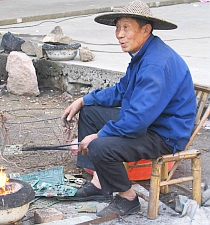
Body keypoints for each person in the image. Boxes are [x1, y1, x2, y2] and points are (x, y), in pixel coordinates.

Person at [61, 0, 197, 218]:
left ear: (145, 29)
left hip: (165, 133)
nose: (119, 35)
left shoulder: (155, 65)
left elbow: (136, 122)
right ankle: (99, 182)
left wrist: (100, 135)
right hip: (149, 122)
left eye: (126, 27)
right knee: (90, 111)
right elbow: (122, 90)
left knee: (100, 146)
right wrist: (84, 99)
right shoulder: (144, 54)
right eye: (117, 28)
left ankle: (128, 198)